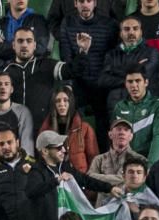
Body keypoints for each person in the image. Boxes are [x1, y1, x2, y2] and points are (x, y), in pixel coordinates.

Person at [25, 130, 119, 220]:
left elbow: (85, 180)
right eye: (58, 148)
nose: (64, 150)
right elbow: (31, 191)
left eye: (63, 146)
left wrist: (109, 188)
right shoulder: (36, 170)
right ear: (45, 151)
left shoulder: (65, 166)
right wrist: (56, 180)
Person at [58, 0, 119, 145]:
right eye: (81, 1)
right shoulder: (68, 23)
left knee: (105, 125)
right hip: (79, 82)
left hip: (103, 83)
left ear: (95, 3)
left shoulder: (109, 25)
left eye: (89, 1)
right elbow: (68, 62)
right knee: (65, 111)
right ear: (75, 3)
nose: (85, 5)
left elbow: (113, 59)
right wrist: (82, 51)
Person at [94, 16, 159, 114]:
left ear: (141, 32)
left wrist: (115, 71)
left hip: (144, 108)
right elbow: (103, 80)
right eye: (126, 29)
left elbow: (144, 74)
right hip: (116, 106)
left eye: (135, 28)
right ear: (121, 33)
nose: (131, 32)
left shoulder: (152, 52)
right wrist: (133, 72)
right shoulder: (111, 54)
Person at [112, 65, 159, 164]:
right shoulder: (119, 107)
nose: (134, 85)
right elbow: (115, 139)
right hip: (126, 163)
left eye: (138, 81)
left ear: (146, 82)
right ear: (125, 84)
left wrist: (150, 166)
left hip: (150, 161)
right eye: (130, 82)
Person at [0, 126, 37, 220]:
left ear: (17, 142)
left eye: (9, 142)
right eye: (1, 144)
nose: (6, 147)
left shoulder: (35, 164)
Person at [39, 86, 99, 173]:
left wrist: (86, 182)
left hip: (80, 181)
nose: (62, 104)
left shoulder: (85, 128)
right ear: (53, 104)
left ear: (71, 102)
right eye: (58, 101)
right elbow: (42, 160)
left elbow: (94, 161)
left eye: (65, 100)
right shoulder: (45, 130)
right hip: (54, 180)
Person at [0, 0, 51, 73]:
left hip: (30, 73)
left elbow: (40, 48)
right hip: (4, 74)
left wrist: (5, 44)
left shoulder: (39, 21)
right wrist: (25, 46)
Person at [87, 118, 142, 202]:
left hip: (128, 207)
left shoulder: (139, 159)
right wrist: (124, 179)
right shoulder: (99, 159)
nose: (122, 132)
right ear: (110, 134)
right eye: (118, 129)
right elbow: (89, 178)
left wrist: (101, 181)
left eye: (126, 130)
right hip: (102, 208)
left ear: (131, 136)